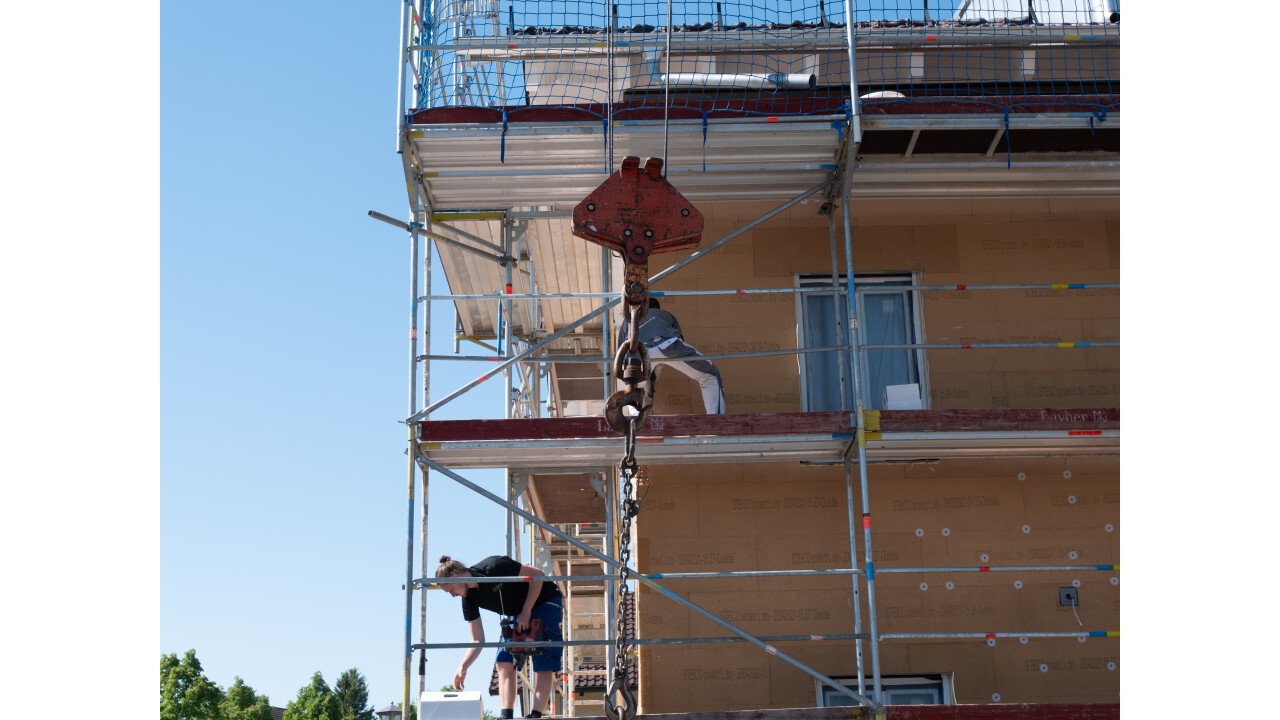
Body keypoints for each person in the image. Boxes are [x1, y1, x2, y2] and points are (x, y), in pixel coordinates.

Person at [436, 555, 563, 720]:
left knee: (544, 658)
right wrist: (463, 666)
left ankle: (536, 715)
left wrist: (526, 611)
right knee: (503, 659)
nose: (451, 595)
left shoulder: (495, 566)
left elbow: (538, 575)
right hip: (516, 613)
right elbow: (477, 639)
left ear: (455, 577)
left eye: (449, 589)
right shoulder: (468, 600)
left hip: (543, 600)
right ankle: (506, 715)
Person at [619, 297, 726, 414]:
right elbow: (678, 342)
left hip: (638, 353)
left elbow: (622, 355)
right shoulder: (665, 315)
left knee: (633, 386)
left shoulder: (627, 321)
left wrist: (646, 384)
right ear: (657, 309)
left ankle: (636, 425)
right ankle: (717, 421)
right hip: (667, 344)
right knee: (710, 375)